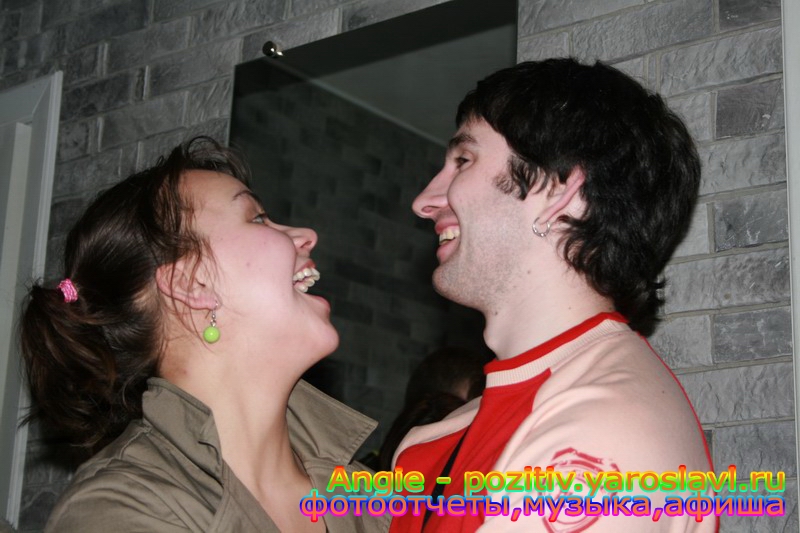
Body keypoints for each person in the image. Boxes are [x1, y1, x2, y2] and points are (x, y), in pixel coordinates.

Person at [390, 59, 714, 532]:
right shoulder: (441, 437)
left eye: (463, 160)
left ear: (563, 193)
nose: (424, 201)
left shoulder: (602, 430)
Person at [20, 137, 388, 532]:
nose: (307, 234)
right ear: (192, 284)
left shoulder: (368, 495)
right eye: (257, 218)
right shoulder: (119, 510)